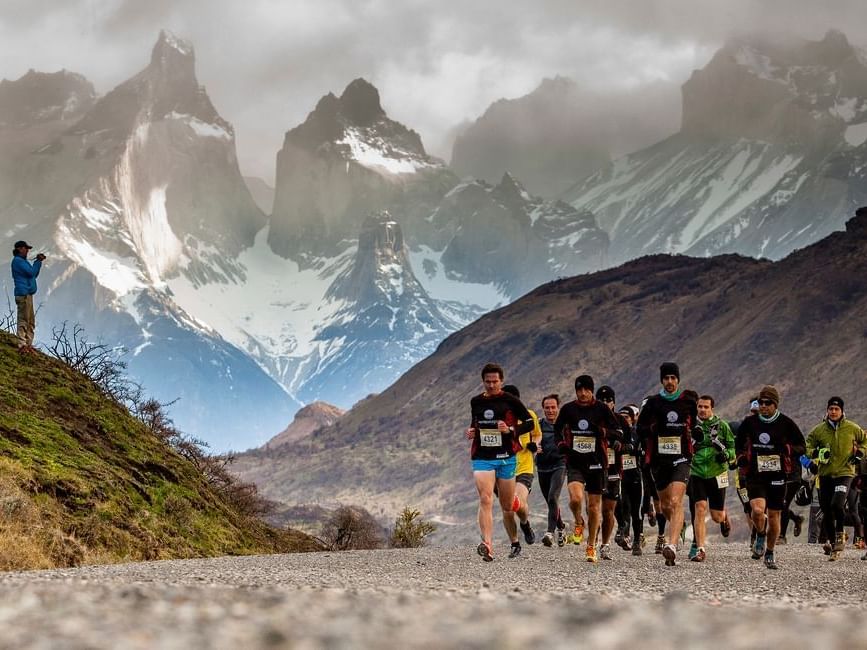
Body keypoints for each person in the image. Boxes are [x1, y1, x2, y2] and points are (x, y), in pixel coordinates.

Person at [466, 363, 535, 561]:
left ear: (501, 381)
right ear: (483, 381)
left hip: (505, 457)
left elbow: (529, 423)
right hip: (482, 457)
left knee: (508, 505)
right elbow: (476, 423)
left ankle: (522, 516)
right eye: (487, 382)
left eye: (495, 381)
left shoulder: (510, 400)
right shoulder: (476, 401)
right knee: (485, 498)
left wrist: (511, 431)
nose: (491, 385)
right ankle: (487, 544)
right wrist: (472, 431)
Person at [636, 362, 701, 566]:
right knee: (664, 506)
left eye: (673, 378)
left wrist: (696, 433)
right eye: (666, 378)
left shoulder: (688, 401)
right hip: (658, 459)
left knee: (675, 501)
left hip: (682, 457)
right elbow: (640, 429)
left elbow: (696, 424)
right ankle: (677, 526)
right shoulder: (654, 403)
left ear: (678, 380)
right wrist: (653, 429)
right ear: (662, 380)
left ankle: (671, 546)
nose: (670, 382)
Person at [736, 385, 806, 569]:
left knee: (774, 516)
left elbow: (802, 446)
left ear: (775, 404)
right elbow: (738, 445)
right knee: (758, 511)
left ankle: (770, 551)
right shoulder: (749, 423)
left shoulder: (786, 423)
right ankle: (760, 533)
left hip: (777, 475)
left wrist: (789, 449)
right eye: (761, 402)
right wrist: (741, 457)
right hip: (755, 474)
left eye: (767, 403)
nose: (763, 406)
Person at [555, 374, 620, 563]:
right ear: (576, 391)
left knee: (593, 507)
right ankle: (578, 520)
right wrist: (561, 445)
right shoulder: (568, 409)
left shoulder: (601, 409)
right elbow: (557, 431)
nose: (583, 393)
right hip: (575, 461)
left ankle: (591, 545)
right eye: (579, 390)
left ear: (592, 390)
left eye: (586, 390)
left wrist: (603, 433)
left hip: (597, 463)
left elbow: (618, 432)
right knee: (575, 499)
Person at [804, 396, 866, 561]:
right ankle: (833, 545)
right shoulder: (819, 430)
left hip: (845, 474)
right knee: (826, 509)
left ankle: (840, 535)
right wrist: (815, 454)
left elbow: (864, 441)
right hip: (825, 475)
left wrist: (859, 454)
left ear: (842, 411)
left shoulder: (852, 428)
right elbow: (807, 446)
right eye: (830, 409)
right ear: (827, 410)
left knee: (837, 504)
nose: (833, 412)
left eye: (836, 409)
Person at [687, 395, 735, 562]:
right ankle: (700, 549)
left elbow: (732, 447)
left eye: (706, 407)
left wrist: (726, 455)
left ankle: (724, 516)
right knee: (699, 507)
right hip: (697, 471)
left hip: (717, 472)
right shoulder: (691, 426)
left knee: (716, 516)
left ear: (712, 408)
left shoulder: (722, 426)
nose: (702, 410)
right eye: (700, 407)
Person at [502, 384, 541, 546]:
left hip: (524, 467)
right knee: (507, 509)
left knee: (516, 502)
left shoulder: (529, 416)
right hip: (504, 469)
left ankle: (525, 523)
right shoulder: (500, 420)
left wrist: (534, 444)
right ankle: (514, 543)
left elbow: (537, 434)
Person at [596, 385, 626, 560]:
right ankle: (592, 541)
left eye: (609, 401)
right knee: (592, 508)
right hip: (594, 470)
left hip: (614, 470)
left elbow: (630, 443)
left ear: (614, 403)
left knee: (608, 511)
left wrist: (620, 446)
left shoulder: (620, 421)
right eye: (602, 400)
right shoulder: (591, 420)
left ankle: (605, 545)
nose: (606, 403)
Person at [536, 394, 568, 547]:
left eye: (553, 407)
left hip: (560, 465)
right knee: (551, 502)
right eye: (547, 408)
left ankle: (550, 532)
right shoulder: (539, 425)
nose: (550, 410)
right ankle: (561, 527)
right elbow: (529, 439)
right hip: (542, 467)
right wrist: (534, 446)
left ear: (558, 408)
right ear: (543, 409)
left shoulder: (565, 425)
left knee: (552, 497)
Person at [616, 404, 645, 555]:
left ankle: (637, 541)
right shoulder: (615, 433)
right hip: (621, 476)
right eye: (620, 417)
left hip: (635, 476)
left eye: (626, 417)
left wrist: (637, 451)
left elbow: (644, 450)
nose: (623, 420)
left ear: (632, 419)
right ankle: (624, 535)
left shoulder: (637, 433)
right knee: (623, 506)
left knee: (636, 511)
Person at [10, 240, 45, 353]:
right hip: (23, 294)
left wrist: (37, 264)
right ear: (20, 249)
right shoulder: (18, 261)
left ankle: (28, 345)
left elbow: (33, 273)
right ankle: (22, 344)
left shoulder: (22, 261)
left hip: (27, 294)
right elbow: (31, 273)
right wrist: (38, 262)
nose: (27, 251)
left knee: (30, 321)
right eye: (26, 248)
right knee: (24, 319)